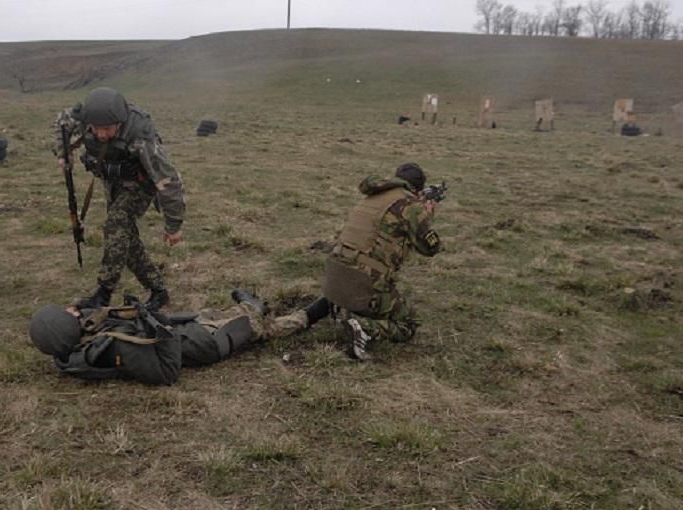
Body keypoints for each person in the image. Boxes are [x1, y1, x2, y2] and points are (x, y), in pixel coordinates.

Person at [53, 87, 186, 311]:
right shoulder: (84, 117)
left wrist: (174, 225)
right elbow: (62, 123)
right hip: (112, 182)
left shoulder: (141, 135)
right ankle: (158, 290)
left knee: (115, 225)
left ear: (120, 122)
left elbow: (169, 179)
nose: (102, 134)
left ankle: (103, 293)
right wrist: (63, 152)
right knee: (124, 237)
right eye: (97, 129)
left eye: (107, 129)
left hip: (140, 185)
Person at [29, 289, 330, 386]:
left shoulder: (79, 341)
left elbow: (99, 317)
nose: (73, 313)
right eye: (67, 316)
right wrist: (154, 328)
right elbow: (167, 372)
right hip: (204, 344)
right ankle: (312, 314)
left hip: (189, 329)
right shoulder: (113, 347)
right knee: (260, 327)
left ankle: (250, 305)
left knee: (210, 311)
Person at [316, 162, 442, 360]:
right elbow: (430, 248)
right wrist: (427, 215)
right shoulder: (411, 206)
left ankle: (346, 310)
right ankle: (364, 329)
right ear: (417, 188)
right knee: (409, 322)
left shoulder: (373, 196)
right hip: (361, 284)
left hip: (333, 281)